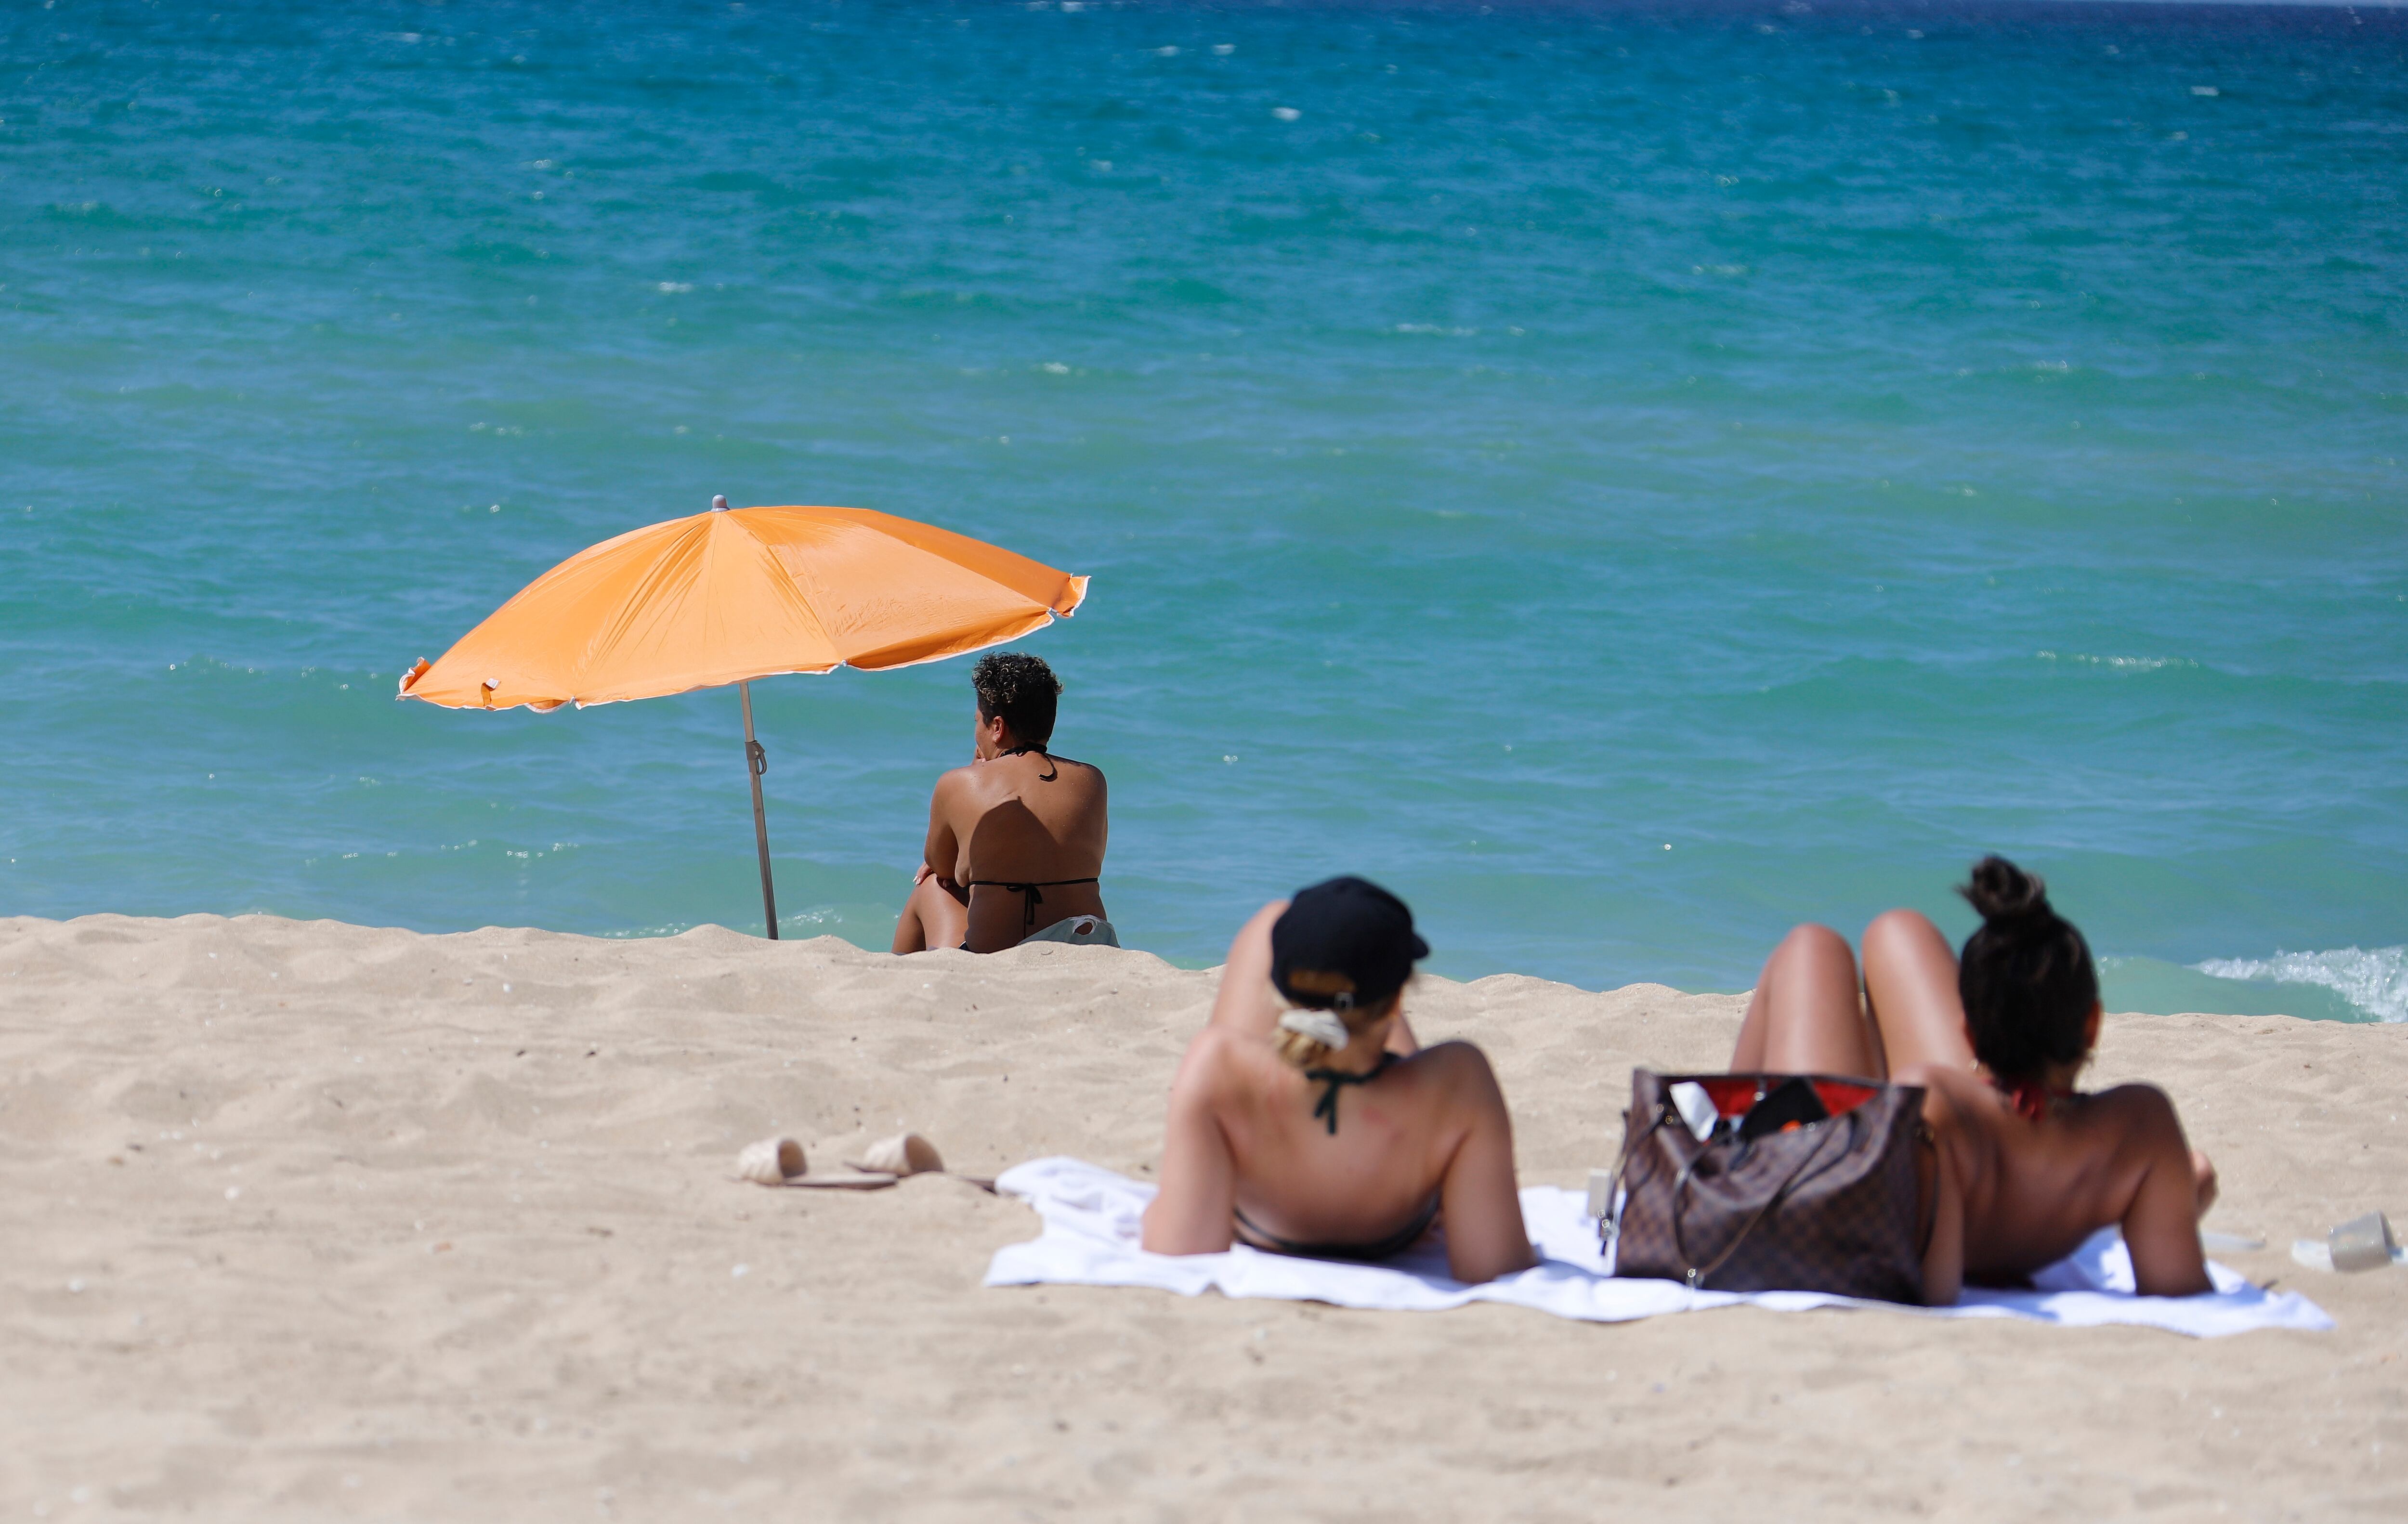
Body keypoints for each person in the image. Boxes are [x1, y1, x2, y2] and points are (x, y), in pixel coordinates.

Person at [1730, 856, 2220, 1303]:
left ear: (1967, 1031)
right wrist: (2166, 1205)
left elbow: (1929, 1291)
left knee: (1811, 946)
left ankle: (1722, 1161)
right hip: (2026, 1197)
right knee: (1898, 929)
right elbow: (2177, 1288)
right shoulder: (2140, 1125)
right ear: (2091, 1023)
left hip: (1831, 1197)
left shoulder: (1936, 1106)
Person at [1141, 877, 1537, 1284]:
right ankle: (1356, 987)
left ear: (1276, 991)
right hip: (1395, 1228)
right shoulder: (1461, 1080)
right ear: (1400, 1000)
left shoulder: (1218, 1064)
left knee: (1274, 923)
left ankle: (1321, 987)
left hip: (1263, 1222)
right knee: (1357, 963)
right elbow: (1494, 1265)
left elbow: (1179, 1250)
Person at [892, 652, 1114, 954]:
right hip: (1089, 943)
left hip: (1000, 954)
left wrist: (975, 770)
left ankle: (899, 979)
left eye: (977, 723)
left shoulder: (958, 783)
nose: (976, 732)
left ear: (997, 727)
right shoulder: (1092, 780)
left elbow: (945, 870)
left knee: (929, 888)